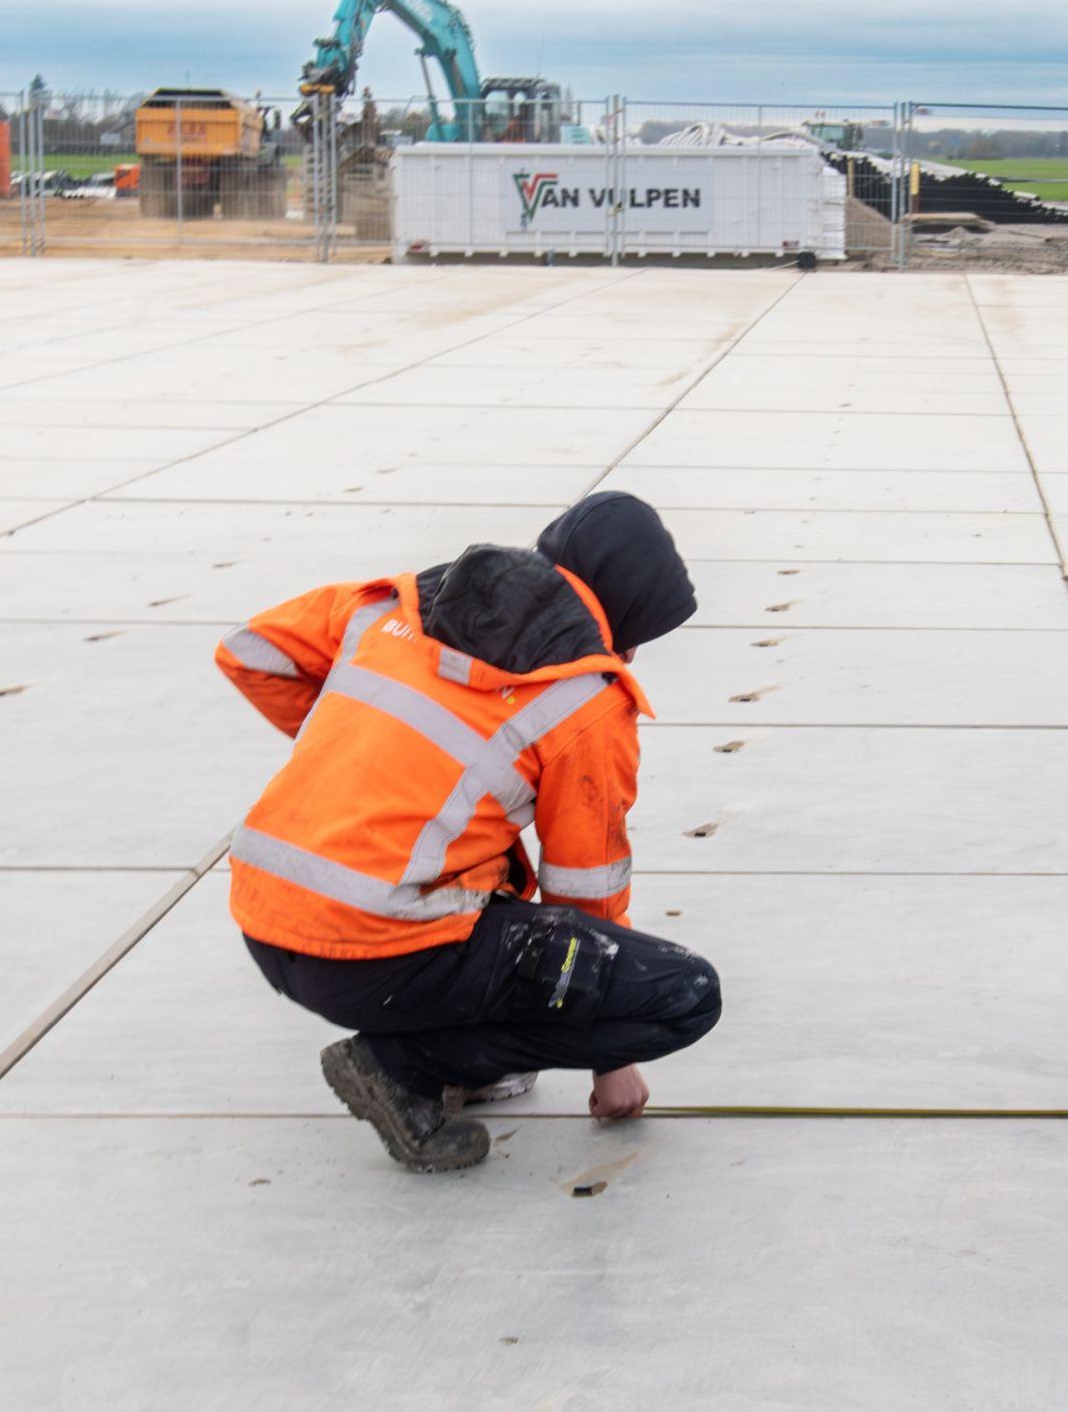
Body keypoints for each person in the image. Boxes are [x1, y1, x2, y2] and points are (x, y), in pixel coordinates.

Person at [216, 493, 723, 1172]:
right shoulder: (583, 696)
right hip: (374, 952)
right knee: (684, 995)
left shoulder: (396, 604)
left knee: (493, 883)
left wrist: (358, 755)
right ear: (622, 607)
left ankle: (462, 1056)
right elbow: (585, 894)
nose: (631, 650)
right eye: (639, 631)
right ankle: (401, 1064)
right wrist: (611, 1058)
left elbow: (252, 649)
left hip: (264, 918)